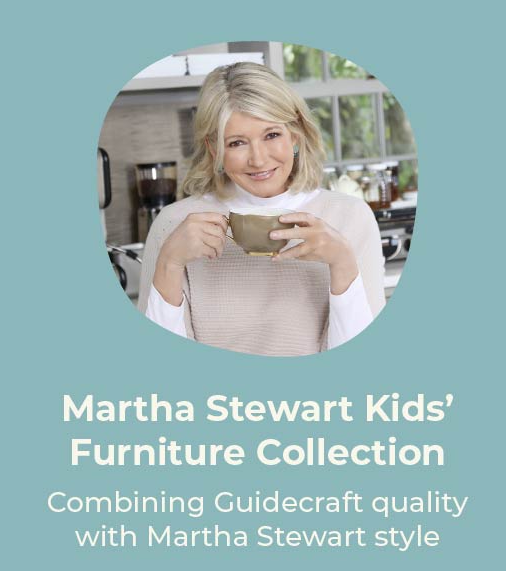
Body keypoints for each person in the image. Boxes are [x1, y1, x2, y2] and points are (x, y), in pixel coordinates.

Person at [137, 62, 385, 356]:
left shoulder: (350, 218)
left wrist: (343, 264)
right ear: (215, 149)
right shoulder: (173, 224)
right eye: (237, 142)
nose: (258, 159)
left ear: (294, 134)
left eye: (271, 135)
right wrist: (169, 263)